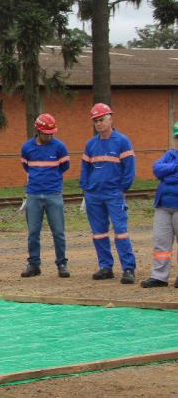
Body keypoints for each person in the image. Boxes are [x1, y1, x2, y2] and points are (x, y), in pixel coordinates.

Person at [80, 103, 136, 284]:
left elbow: (129, 170)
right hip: (94, 195)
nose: (99, 123)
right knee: (99, 233)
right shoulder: (91, 144)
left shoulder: (122, 141)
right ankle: (106, 267)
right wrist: (86, 189)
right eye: (96, 121)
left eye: (102, 119)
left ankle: (128, 268)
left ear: (111, 118)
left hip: (114, 194)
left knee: (120, 232)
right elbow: (85, 169)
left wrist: (121, 190)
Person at [19, 113, 71, 278]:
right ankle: (34, 264)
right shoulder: (27, 148)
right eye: (46, 133)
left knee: (58, 232)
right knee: (33, 231)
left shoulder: (60, 147)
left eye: (52, 133)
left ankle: (61, 263)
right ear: (38, 131)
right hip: (33, 194)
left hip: (54, 194)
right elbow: (26, 166)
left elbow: (65, 166)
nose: (50, 136)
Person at [144, 121, 178, 289]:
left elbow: (166, 175)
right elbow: (157, 169)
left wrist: (168, 174)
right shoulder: (170, 155)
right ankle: (159, 277)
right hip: (163, 206)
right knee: (161, 242)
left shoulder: (169, 158)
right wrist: (174, 167)